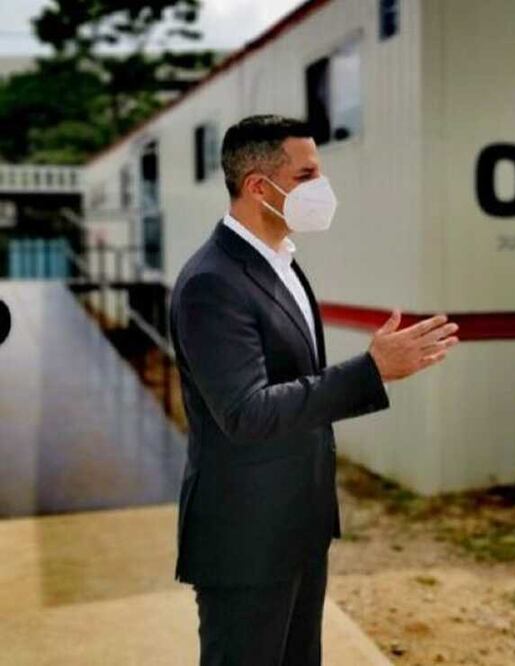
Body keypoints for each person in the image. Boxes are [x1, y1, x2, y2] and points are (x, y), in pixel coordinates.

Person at [169, 114, 459, 666]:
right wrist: (369, 371)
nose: (322, 189)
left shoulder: (283, 264)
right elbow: (245, 412)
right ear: (259, 185)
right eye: (307, 175)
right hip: (246, 540)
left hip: (296, 527)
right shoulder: (213, 282)